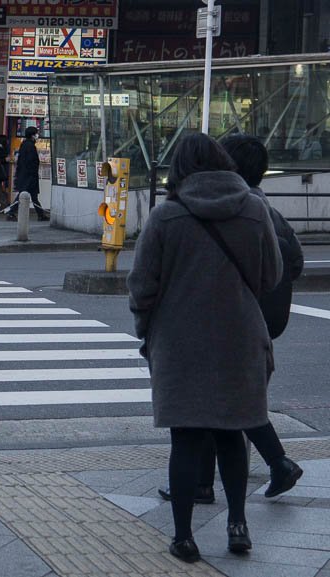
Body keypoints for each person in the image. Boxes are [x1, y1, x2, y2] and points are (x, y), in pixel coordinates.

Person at [127, 132, 282, 563]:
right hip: (240, 339)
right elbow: (272, 275)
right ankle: (237, 524)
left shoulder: (166, 217)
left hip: (179, 344)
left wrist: (147, 331)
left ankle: (183, 536)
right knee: (234, 433)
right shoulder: (254, 208)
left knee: (187, 438)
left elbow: (142, 287)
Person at [156, 135, 307, 506]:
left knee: (226, 402)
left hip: (237, 318)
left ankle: (274, 464)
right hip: (256, 317)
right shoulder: (264, 205)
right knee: (228, 398)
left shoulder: (243, 206)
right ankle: (209, 483)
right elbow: (294, 263)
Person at [7, 126, 49, 222]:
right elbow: (31, 162)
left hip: (26, 175)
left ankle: (40, 214)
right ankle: (11, 212)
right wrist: (32, 172)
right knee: (24, 195)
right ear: (32, 135)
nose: (37, 135)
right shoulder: (30, 146)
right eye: (36, 134)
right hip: (29, 176)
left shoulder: (25, 144)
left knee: (32, 196)